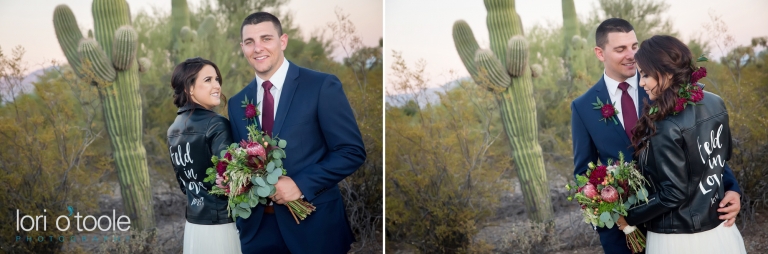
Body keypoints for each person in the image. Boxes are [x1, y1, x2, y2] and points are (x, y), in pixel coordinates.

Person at [570, 18, 742, 254]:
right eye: (620, 49)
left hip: (681, 222)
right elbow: (584, 174)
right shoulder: (583, 107)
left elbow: (704, 145)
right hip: (624, 231)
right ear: (600, 53)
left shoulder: (663, 85)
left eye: (634, 46)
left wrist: (731, 188)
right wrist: (606, 222)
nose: (631, 55)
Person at [227, 12, 366, 253]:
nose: (257, 48)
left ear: (283, 41)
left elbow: (351, 151)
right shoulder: (237, 102)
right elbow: (241, 162)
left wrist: (300, 184)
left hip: (315, 229)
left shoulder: (321, 86)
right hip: (258, 233)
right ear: (243, 48)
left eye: (266, 38)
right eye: (249, 42)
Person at [615, 35, 747, 253]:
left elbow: (673, 193)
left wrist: (629, 216)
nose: (641, 82)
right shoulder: (716, 102)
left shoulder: (665, 124)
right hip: (720, 230)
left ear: (666, 72)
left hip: (678, 238)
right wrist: (732, 190)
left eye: (645, 74)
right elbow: (720, 159)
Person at [167, 57, 241, 254]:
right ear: (189, 88)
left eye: (217, 79)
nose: (217, 85)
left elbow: (184, 185)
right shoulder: (216, 124)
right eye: (208, 80)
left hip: (194, 226)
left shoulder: (173, 129)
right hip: (222, 225)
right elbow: (231, 180)